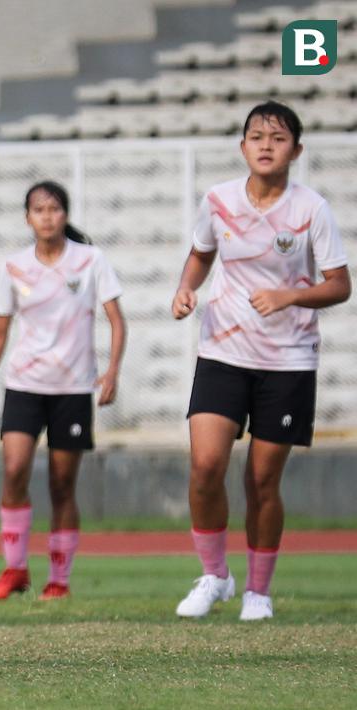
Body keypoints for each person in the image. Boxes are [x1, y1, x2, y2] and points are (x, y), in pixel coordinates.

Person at [171, 101, 350, 621]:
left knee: (261, 482)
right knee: (205, 467)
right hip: (223, 352)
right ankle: (214, 577)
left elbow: (339, 284)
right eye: (256, 136)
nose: (266, 144)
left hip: (289, 361)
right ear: (242, 147)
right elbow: (202, 253)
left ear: (296, 148)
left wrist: (289, 296)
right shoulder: (218, 200)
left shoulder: (311, 209)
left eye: (277, 137)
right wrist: (185, 289)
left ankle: (258, 592)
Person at [0, 181, 126, 601]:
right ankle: (15, 569)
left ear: (65, 214)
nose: (47, 216)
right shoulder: (14, 267)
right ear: (27, 218)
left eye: (54, 209)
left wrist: (111, 371)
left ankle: (59, 581)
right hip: (24, 385)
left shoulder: (90, 260)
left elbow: (116, 319)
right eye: (39, 210)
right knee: (15, 470)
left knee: (61, 485)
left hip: (72, 388)